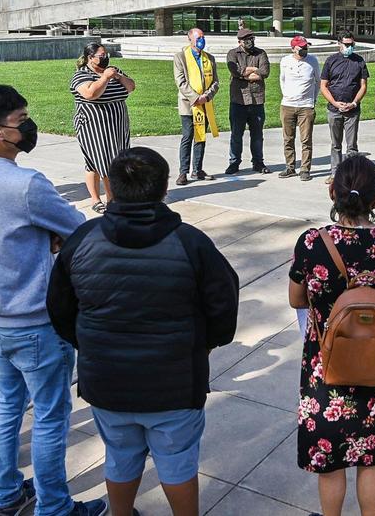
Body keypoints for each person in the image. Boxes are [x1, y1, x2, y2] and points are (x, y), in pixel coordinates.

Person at [48, 147, 240, 516]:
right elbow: (223, 306)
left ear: (112, 190)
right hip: (175, 382)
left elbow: (59, 308)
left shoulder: (83, 239)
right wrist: (205, 345)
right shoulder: (191, 243)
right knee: (177, 458)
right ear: (164, 188)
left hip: (106, 379)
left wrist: (89, 344)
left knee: (120, 453)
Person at [0, 84, 104, 516]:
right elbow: (80, 229)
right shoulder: (25, 183)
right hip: (36, 317)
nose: (28, 127)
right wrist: (54, 237)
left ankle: (6, 496)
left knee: (5, 403)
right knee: (51, 415)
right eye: (20, 122)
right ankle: (55, 507)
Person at [288, 155, 375, 516]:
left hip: (326, 368)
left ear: (333, 193)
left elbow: (296, 298)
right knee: (371, 458)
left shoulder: (313, 242)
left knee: (330, 461)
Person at [70, 43, 136, 213]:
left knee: (116, 161)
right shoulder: (81, 75)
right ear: (90, 58)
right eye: (101, 55)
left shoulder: (114, 71)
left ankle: (114, 198)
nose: (105, 58)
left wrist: (119, 76)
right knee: (103, 162)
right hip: (93, 126)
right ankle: (105, 199)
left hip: (117, 126)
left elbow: (130, 87)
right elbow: (90, 94)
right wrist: (105, 78)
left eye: (106, 54)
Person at [319, 30, 369, 184]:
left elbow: (363, 85)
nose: (349, 47)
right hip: (334, 110)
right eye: (346, 44)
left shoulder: (359, 61)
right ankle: (335, 173)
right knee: (336, 144)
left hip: (352, 110)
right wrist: (335, 103)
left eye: (351, 44)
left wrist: (354, 103)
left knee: (352, 145)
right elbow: (323, 86)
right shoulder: (331, 61)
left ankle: (352, 175)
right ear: (339, 44)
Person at [173, 28, 220, 186]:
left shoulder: (210, 58)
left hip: (205, 104)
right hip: (189, 104)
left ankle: (198, 169)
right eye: (199, 37)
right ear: (190, 39)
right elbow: (181, 82)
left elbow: (215, 82)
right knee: (187, 137)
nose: (202, 40)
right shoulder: (181, 57)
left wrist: (206, 96)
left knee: (201, 137)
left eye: (203, 36)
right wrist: (195, 98)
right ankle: (183, 172)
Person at [226, 27, 271, 175]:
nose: (250, 42)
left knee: (257, 135)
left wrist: (245, 73)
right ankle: (234, 163)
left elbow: (264, 72)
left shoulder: (261, 53)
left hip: (256, 101)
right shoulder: (232, 54)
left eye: (252, 39)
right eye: (246, 40)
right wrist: (253, 70)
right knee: (236, 134)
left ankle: (258, 162)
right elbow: (236, 71)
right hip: (238, 101)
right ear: (239, 41)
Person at [278, 35, 318, 180]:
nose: (305, 49)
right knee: (288, 138)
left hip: (306, 106)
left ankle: (305, 169)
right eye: (302, 47)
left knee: (306, 139)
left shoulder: (313, 61)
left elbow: (318, 82)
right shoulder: (285, 61)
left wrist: (313, 100)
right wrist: (287, 95)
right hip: (287, 105)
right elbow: (282, 80)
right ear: (293, 48)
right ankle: (290, 167)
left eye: (306, 47)